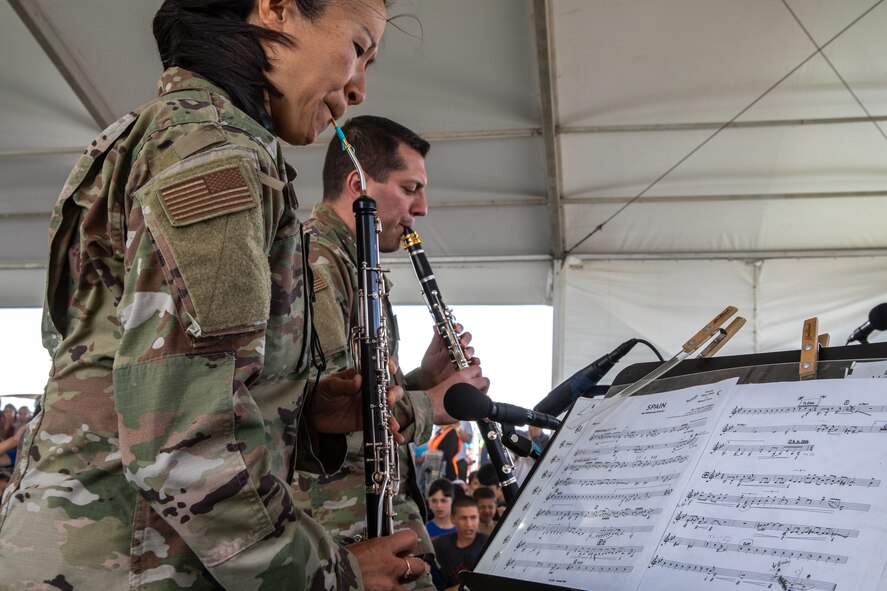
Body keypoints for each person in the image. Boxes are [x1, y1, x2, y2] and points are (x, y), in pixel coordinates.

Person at [0, 2, 431, 589]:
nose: (357, 89)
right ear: (276, 9)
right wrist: (333, 575)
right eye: (359, 48)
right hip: (135, 563)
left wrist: (306, 417)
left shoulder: (165, 131)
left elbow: (112, 371)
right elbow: (181, 440)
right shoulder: (218, 154)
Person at [290, 115, 489, 589]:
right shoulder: (318, 265)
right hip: (343, 526)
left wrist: (423, 378)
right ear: (359, 184)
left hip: (370, 517)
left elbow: (362, 389)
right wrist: (433, 405)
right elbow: (334, 406)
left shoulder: (361, 269)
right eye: (409, 188)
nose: (421, 208)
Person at [430, 496, 488, 591]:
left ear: (479, 518)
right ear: (452, 519)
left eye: (473, 517)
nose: (469, 524)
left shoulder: (487, 545)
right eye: (463, 518)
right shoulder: (440, 545)